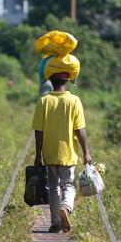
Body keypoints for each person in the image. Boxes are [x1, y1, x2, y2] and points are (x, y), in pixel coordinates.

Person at [32, 71, 92, 233]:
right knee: (68, 186)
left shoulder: (43, 101)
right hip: (68, 152)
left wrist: (38, 155)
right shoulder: (74, 101)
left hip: (49, 152)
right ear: (68, 81)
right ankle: (66, 207)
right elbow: (80, 130)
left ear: (51, 81)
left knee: (53, 187)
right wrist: (86, 152)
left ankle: (56, 222)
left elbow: (38, 131)